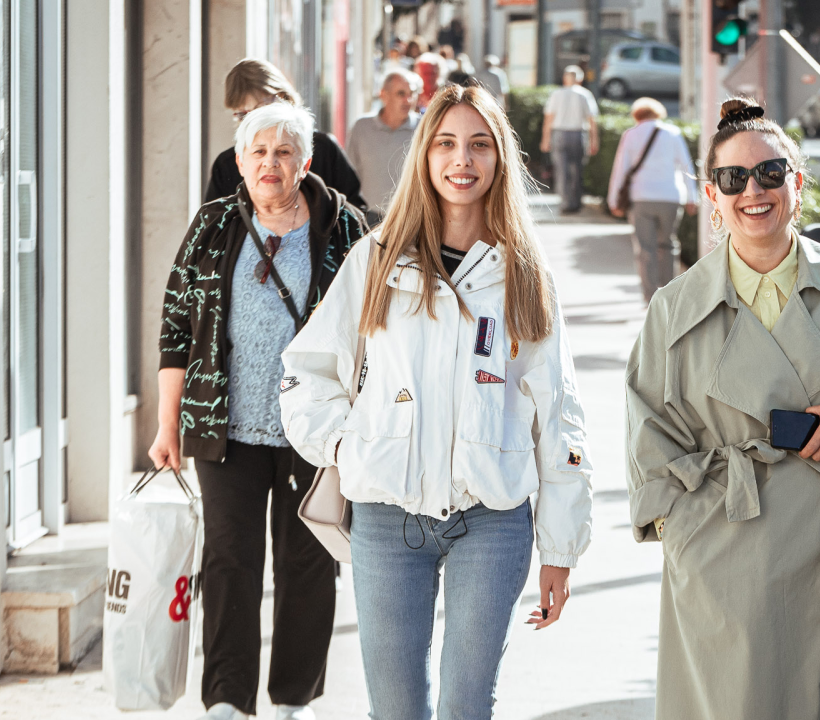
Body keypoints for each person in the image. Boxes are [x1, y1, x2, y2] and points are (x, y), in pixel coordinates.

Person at [279, 84, 594, 719]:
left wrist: (559, 549)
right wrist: (348, 445)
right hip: (386, 517)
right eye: (447, 143)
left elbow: (558, 415)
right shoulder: (376, 259)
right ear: (424, 156)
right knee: (395, 710)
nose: (462, 160)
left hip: (492, 518)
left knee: (466, 705)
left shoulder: (525, 274)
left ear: (500, 159)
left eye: (480, 145)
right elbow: (307, 372)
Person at [625, 97, 820, 720]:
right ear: (712, 194)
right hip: (728, 559)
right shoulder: (676, 308)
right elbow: (648, 441)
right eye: (733, 179)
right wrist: (689, 537)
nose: (752, 191)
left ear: (796, 183)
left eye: (769, 173)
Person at [151, 101, 369, 720]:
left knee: (306, 565)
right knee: (228, 563)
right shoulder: (214, 224)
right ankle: (226, 699)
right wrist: (168, 425)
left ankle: (292, 699)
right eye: (258, 152)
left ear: (304, 162)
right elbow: (175, 325)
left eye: (283, 152)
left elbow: (376, 327)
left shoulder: (343, 227)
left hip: (315, 432)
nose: (269, 163)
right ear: (240, 161)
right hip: (225, 429)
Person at [204, 59, 366, 211]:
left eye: (259, 110)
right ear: (240, 164)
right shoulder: (226, 165)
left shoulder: (324, 149)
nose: (254, 122)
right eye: (243, 115)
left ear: (282, 97)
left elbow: (356, 215)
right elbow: (212, 229)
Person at [606, 97, 698, 302]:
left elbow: (620, 170)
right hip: (670, 198)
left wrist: (613, 200)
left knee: (645, 248)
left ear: (637, 115)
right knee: (668, 245)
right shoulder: (673, 133)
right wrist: (693, 196)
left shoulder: (630, 135)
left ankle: (650, 297)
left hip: (641, 198)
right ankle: (670, 295)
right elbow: (686, 166)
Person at [347, 68, 421, 225]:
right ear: (383, 95)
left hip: (410, 218)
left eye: (412, 93)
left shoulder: (424, 128)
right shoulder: (362, 127)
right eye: (401, 93)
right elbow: (349, 174)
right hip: (368, 218)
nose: (408, 100)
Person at [540, 66, 599, 213]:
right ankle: (575, 202)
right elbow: (592, 120)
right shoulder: (585, 94)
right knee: (577, 169)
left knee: (561, 170)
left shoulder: (556, 94)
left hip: (559, 134)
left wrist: (545, 139)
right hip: (578, 134)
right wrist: (594, 140)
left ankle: (565, 202)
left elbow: (548, 118)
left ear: (565, 78)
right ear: (580, 79)